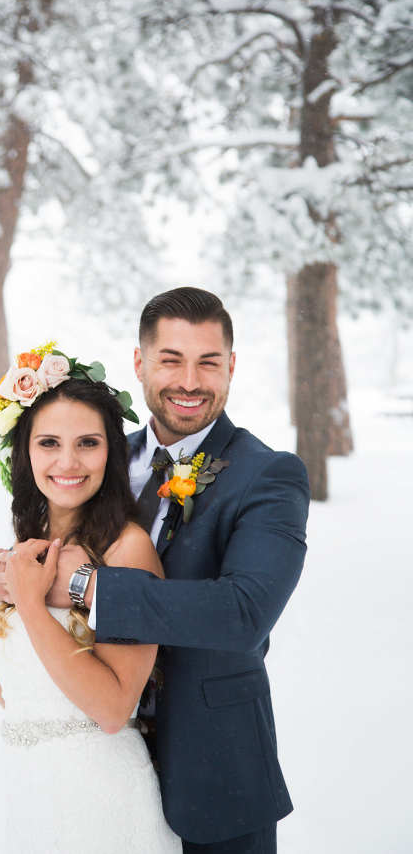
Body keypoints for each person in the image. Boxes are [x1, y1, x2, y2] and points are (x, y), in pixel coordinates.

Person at [18, 288, 311, 854]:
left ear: (232, 365)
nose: (190, 381)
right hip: (100, 767)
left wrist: (86, 588)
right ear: (138, 363)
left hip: (214, 773)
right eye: (171, 359)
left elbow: (242, 613)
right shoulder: (95, 455)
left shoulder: (269, 475)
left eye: (209, 361)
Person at [0, 348, 181, 854]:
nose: (68, 462)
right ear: (24, 451)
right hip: (32, 795)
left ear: (112, 453)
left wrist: (33, 607)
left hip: (101, 799)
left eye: (88, 443)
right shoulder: (25, 547)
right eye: (49, 443)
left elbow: (112, 708)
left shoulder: (127, 550)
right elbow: (20, 695)